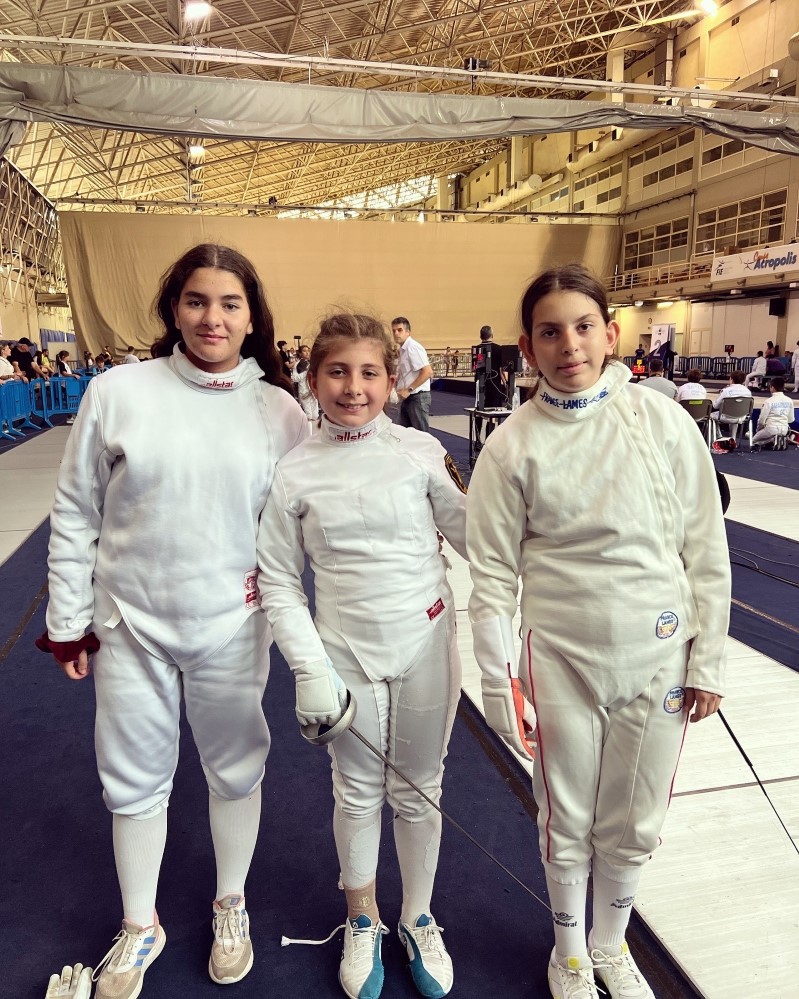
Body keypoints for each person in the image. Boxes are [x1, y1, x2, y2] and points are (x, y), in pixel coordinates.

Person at [35, 243, 308, 998]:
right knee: (131, 778)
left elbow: (302, 522)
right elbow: (75, 510)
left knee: (237, 767)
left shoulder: (280, 411)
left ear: (251, 318)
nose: (212, 318)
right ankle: (139, 923)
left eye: (229, 304)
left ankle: (231, 904)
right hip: (129, 623)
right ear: (172, 309)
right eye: (196, 300)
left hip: (232, 622)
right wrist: (69, 620)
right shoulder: (118, 391)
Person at [466, 263, 729, 999]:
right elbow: (491, 576)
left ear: (610, 334)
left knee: (635, 816)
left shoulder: (662, 422)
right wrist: (499, 683)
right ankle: (570, 955)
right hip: (561, 658)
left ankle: (611, 946)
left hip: (660, 651)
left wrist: (707, 659)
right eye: (550, 332)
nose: (569, 345)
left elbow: (705, 547)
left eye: (583, 327)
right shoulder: (511, 446)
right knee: (567, 817)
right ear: (527, 347)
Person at [257, 313, 467, 999]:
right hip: (344, 650)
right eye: (338, 372)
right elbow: (279, 580)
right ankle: (362, 916)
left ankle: (417, 917)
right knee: (355, 790)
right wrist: (309, 667)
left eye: (369, 372)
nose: (354, 388)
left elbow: (481, 537)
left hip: (426, 640)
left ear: (391, 378)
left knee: (420, 788)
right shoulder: (293, 471)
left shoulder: (420, 451)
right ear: (314, 378)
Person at [392, 316, 433, 433]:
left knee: (421, 435)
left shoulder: (413, 347)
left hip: (417, 397)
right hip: (408, 397)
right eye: (394, 331)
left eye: (399, 330)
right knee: (404, 434)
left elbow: (427, 372)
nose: (396, 333)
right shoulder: (403, 350)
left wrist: (408, 390)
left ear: (408, 332)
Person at [751, 376, 795, 450]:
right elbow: (791, 420)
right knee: (764, 436)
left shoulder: (769, 401)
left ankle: (772, 440)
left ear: (772, 387)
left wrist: (758, 430)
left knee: (753, 441)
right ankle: (779, 439)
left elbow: (761, 420)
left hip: (771, 429)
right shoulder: (790, 400)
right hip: (784, 430)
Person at [710, 370, 752, 435]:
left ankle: (719, 436)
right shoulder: (748, 391)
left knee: (711, 416)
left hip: (726, 416)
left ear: (731, 379)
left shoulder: (726, 391)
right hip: (742, 417)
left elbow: (715, 406)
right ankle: (733, 437)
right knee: (736, 412)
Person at [290, 343, 318, 421]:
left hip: (313, 389)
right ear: (300, 353)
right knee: (308, 414)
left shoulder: (311, 363)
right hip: (304, 390)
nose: (307, 353)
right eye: (304, 351)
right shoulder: (298, 364)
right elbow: (294, 378)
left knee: (315, 414)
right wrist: (306, 372)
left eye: (308, 350)